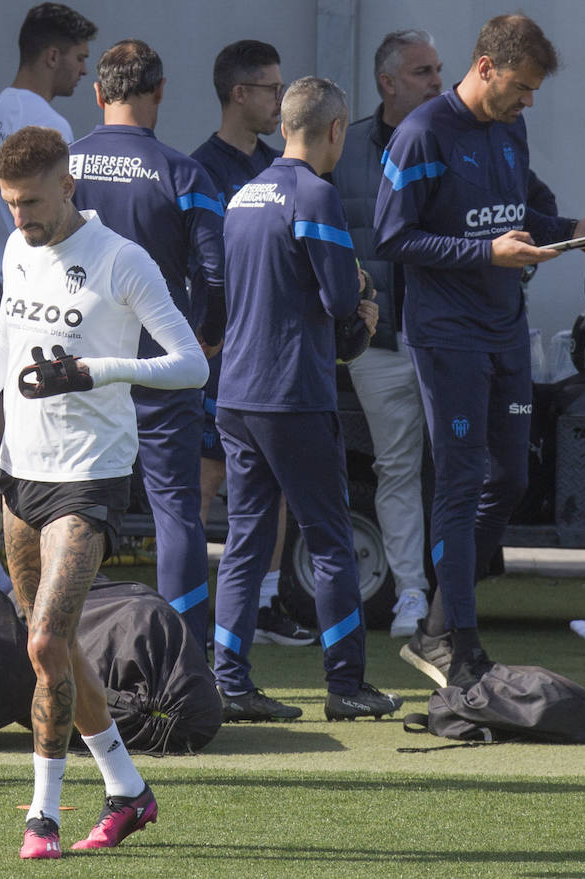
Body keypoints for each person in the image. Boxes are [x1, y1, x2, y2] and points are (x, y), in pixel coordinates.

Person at [0, 125, 206, 858]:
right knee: (53, 650)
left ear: (68, 187)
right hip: (21, 474)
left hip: (90, 473)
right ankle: (129, 790)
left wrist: (96, 370)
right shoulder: (15, 247)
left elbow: (189, 364)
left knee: (43, 638)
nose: (19, 218)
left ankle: (42, 815)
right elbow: (3, 338)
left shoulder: (123, 262)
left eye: (31, 202)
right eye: (9, 204)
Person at [375, 14, 585, 691]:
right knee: (463, 477)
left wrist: (574, 231)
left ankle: (439, 623)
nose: (528, 102)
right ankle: (458, 639)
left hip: (504, 327)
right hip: (446, 336)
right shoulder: (422, 134)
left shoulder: (509, 128)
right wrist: (482, 254)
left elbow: (521, 218)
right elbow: (390, 238)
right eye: (521, 88)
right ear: (487, 67)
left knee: (513, 479)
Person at [214, 77, 402, 723]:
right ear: (336, 129)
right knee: (329, 540)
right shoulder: (315, 195)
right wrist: (362, 310)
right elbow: (344, 304)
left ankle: (230, 682)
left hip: (237, 393)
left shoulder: (245, 193)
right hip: (293, 392)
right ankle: (346, 685)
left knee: (245, 542)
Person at [68, 39, 225, 651]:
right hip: (160, 363)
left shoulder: (66, 168)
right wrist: (206, 335)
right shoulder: (184, 172)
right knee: (177, 512)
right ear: (159, 91)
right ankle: (183, 660)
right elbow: (214, 273)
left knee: (74, 509)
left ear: (99, 93)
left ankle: (71, 647)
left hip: (78, 366)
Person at [0, 3, 97, 593]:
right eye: (77, 59)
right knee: (41, 426)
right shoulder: (48, 126)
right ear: (51, 56)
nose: (81, 72)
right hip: (36, 281)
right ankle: (39, 559)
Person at [190, 40, 313, 648]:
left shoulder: (280, 167)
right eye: (270, 88)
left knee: (275, 482)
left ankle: (263, 610)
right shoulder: (198, 168)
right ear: (239, 94)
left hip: (268, 353)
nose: (280, 100)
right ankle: (183, 610)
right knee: (205, 479)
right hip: (213, 352)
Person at [330, 29, 443, 639]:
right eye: (424, 71)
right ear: (388, 82)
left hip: (447, 339)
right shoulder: (341, 150)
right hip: (379, 346)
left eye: (438, 69)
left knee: (460, 471)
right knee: (398, 468)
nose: (437, 81)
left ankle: (452, 601)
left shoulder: (458, 139)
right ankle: (411, 597)